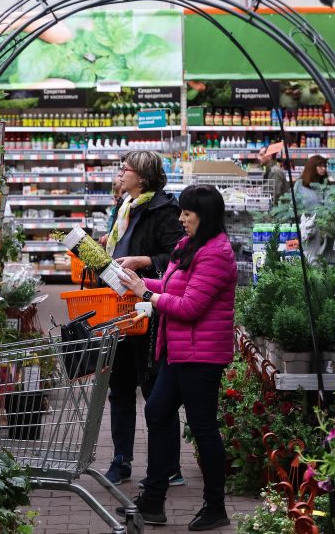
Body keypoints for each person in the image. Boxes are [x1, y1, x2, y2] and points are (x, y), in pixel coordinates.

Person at [118, 184, 236, 530]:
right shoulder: (189, 246)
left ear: (206, 216)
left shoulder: (217, 253)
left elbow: (190, 306)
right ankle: (154, 499)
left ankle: (216, 507)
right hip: (179, 350)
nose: (181, 218)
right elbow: (173, 287)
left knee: (203, 428)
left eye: (187, 213)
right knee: (156, 411)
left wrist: (147, 296)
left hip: (202, 356)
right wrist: (139, 282)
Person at [101, 150, 185, 488]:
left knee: (154, 390)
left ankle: (169, 465)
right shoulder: (124, 208)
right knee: (119, 388)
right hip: (118, 309)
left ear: (144, 176)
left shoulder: (165, 211)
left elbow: (177, 258)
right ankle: (121, 460)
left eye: (126, 169)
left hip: (148, 311)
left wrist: (143, 260)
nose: (121, 173)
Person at [259, 141, 290, 208]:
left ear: (269, 156)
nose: (258, 158)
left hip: (278, 212)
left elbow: (275, 195)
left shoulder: (274, 171)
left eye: (261, 155)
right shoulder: (270, 169)